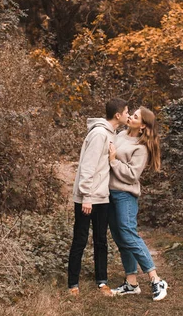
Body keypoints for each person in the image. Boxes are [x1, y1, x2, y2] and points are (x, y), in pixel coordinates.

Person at [68, 98, 129, 296]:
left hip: (102, 196)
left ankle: (102, 281)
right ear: (118, 115)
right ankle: (73, 284)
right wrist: (86, 196)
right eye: (127, 112)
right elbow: (88, 166)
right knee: (80, 239)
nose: (129, 115)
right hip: (87, 198)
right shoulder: (99, 134)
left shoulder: (112, 134)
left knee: (101, 239)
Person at [108, 106, 168, 301]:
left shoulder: (141, 148)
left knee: (128, 233)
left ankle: (156, 279)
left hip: (125, 196)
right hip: (109, 193)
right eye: (131, 114)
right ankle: (131, 283)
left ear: (142, 125)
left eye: (135, 116)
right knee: (121, 238)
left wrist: (114, 161)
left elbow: (133, 175)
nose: (130, 117)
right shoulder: (119, 134)